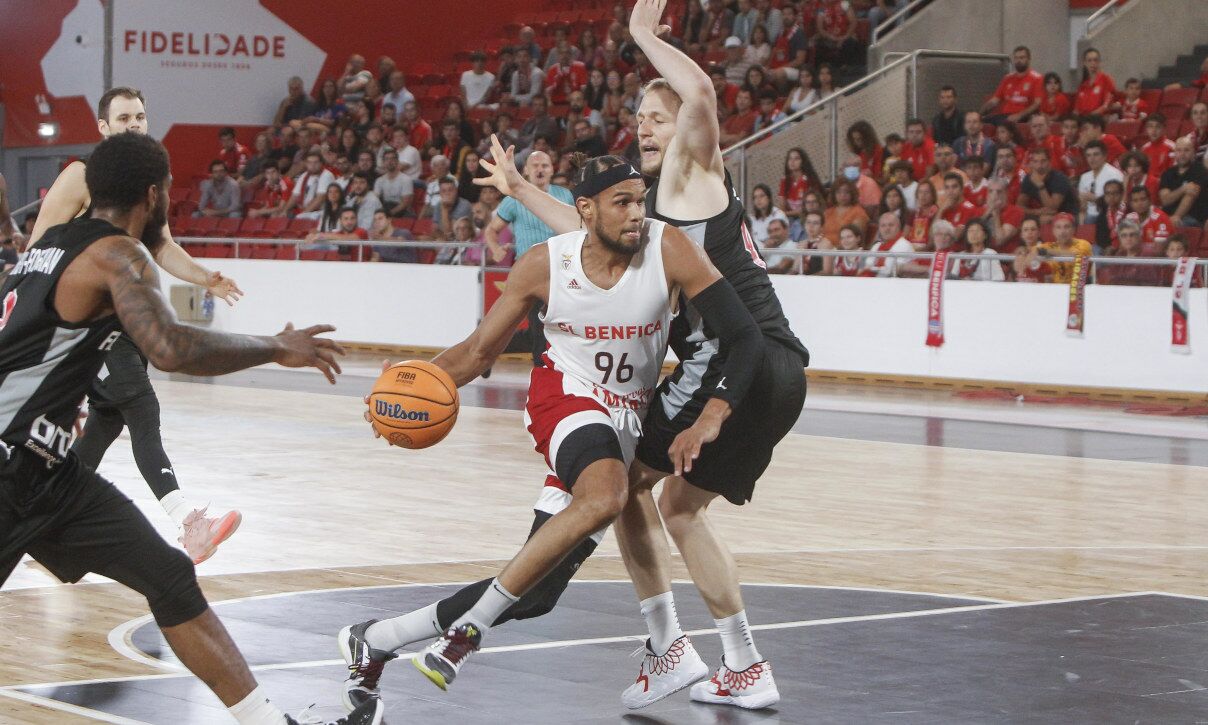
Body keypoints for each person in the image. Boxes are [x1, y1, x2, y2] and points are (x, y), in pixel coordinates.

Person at [450, 1, 810, 711]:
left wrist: (642, 34)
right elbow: (585, 237)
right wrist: (523, 189)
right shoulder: (660, 213)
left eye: (657, 114)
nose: (644, 126)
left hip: (736, 362)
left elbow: (702, 95)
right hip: (781, 373)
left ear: (686, 133)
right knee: (677, 506)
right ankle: (743, 665)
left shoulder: (690, 172)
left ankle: (668, 647)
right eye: (639, 116)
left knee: (616, 480)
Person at [338, 153, 763, 707]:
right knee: (610, 492)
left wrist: (714, 413)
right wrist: (406, 390)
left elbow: (745, 334)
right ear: (584, 210)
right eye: (623, 202)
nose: (638, 213)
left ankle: (375, 639)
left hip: (629, 417)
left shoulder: (669, 248)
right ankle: (468, 633)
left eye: (641, 199)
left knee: (538, 591)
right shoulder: (544, 263)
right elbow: (476, 351)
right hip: (562, 398)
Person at [4, 131, 376, 725]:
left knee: (170, 577)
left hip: (48, 471)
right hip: (9, 465)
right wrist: (275, 346)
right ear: (154, 195)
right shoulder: (118, 255)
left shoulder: (49, 246)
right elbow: (171, 348)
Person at [30, 87, 245, 564]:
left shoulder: (150, 184)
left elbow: (163, 246)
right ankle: (190, 523)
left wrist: (204, 277)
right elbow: (38, 247)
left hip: (127, 319)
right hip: (85, 323)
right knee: (141, 407)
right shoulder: (81, 176)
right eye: (124, 117)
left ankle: (44, 530)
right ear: (103, 127)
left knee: (102, 428)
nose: (134, 123)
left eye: (141, 116)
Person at [481, 151, 573, 366]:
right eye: (535, 165)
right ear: (525, 171)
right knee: (538, 329)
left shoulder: (565, 196)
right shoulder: (513, 200)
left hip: (562, 271)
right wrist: (495, 249)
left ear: (552, 170)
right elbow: (491, 231)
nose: (540, 169)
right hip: (529, 273)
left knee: (540, 330)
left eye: (545, 165)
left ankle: (488, 351)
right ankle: (541, 375)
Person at [982, 46, 1043, 125]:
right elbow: (994, 101)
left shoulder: (1037, 78)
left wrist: (1019, 115)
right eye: (1016, 58)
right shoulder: (1007, 78)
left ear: (1028, 59)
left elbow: (1037, 104)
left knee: (1005, 123)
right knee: (978, 122)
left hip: (1025, 116)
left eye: (1022, 57)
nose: (1019, 60)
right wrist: (979, 115)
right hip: (1005, 116)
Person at [1019, 147, 1077, 224]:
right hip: (1042, 214)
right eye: (1035, 161)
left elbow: (1052, 209)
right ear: (1032, 164)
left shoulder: (1059, 178)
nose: (1039, 165)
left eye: (1043, 161)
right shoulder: (1029, 178)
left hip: (1067, 214)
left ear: (1049, 162)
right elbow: (1020, 206)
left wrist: (1040, 185)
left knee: (1046, 219)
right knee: (1019, 218)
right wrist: (1036, 212)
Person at [1158, 137, 1207, 228]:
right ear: (1175, 153)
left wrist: (1176, 216)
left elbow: (1190, 197)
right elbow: (1165, 200)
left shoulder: (1200, 170)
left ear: (1193, 152)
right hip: (1167, 216)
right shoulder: (1167, 173)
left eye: (1186, 150)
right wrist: (1183, 189)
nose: (1182, 154)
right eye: (1179, 150)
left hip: (1191, 217)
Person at [1099, 218, 1161, 286]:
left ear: (1139, 236)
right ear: (1120, 239)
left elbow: (1149, 283)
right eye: (1124, 236)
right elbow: (1112, 280)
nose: (1128, 239)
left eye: (1132, 235)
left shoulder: (1147, 254)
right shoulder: (1120, 255)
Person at [1077, 140, 1124, 224]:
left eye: (1096, 154)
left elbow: (1118, 203)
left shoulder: (1114, 175)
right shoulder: (1084, 177)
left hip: (1107, 215)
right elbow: (1082, 207)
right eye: (1088, 155)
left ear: (1104, 156)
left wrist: (1095, 199)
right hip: (1088, 216)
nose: (1092, 159)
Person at [1039, 212, 1093, 284]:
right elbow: (1033, 252)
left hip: (1077, 290)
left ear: (1074, 229)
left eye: (1067, 227)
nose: (1062, 231)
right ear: (1053, 231)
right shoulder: (1047, 247)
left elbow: (1077, 254)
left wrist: (1048, 252)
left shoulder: (1084, 244)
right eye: (1058, 227)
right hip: (1053, 289)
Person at [864, 212, 914, 277]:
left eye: (891, 225)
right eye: (883, 226)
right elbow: (868, 266)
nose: (887, 229)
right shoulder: (876, 246)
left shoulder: (904, 245)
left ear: (898, 227)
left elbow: (893, 270)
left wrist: (873, 269)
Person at [822, 178, 870, 243]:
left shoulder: (858, 212)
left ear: (852, 194)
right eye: (838, 192)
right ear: (834, 194)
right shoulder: (828, 212)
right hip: (823, 247)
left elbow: (855, 237)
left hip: (845, 249)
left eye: (846, 192)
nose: (842, 195)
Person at [777, 147, 822, 214]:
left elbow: (808, 208)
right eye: (790, 158)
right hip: (789, 217)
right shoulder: (784, 180)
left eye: (796, 159)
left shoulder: (809, 180)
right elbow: (782, 205)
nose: (792, 162)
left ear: (803, 161)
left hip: (806, 216)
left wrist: (787, 214)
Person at [1127, 184, 1173, 250]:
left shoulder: (1160, 217)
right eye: (1135, 200)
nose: (1139, 203)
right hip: (1138, 258)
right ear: (1131, 204)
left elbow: (1159, 251)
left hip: (1159, 259)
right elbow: (1123, 248)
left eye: (1143, 199)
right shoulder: (1129, 219)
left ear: (1150, 201)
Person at [1075, 47, 1117, 116]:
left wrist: (1090, 117)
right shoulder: (1082, 86)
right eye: (1089, 60)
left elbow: (1106, 105)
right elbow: (1077, 109)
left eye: (1095, 60)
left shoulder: (1106, 79)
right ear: (1084, 63)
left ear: (1099, 62)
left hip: (1098, 120)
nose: (1093, 63)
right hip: (1083, 122)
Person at [1013, 217, 1051, 282]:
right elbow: (1015, 273)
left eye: (1033, 229)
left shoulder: (1047, 248)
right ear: (1021, 234)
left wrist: (1038, 251)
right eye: (1025, 230)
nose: (1029, 232)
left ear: (1039, 233)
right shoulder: (1018, 251)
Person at [900, 118, 935, 182]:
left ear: (924, 133)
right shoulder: (905, 147)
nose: (914, 135)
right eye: (911, 132)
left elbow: (930, 172)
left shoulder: (930, 146)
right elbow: (903, 169)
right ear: (906, 134)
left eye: (918, 132)